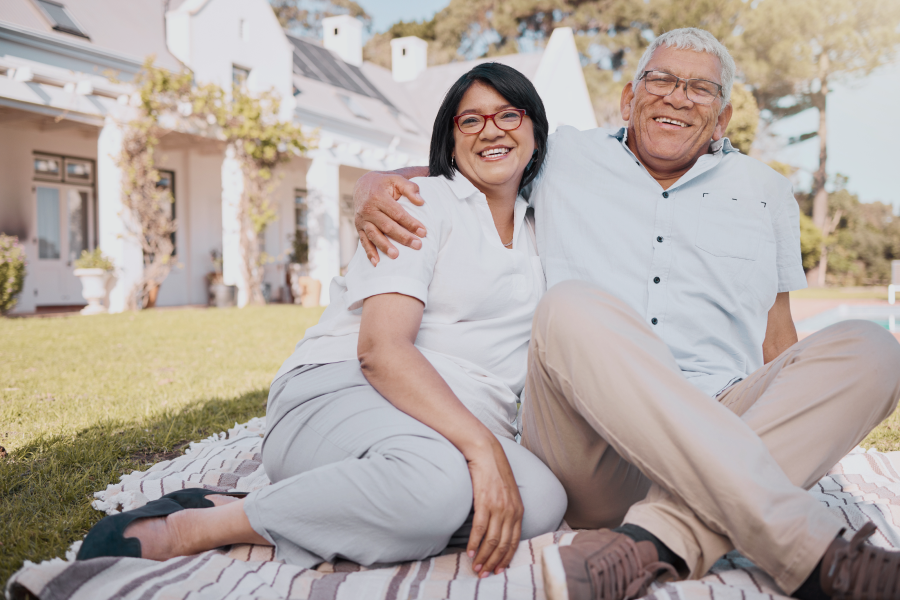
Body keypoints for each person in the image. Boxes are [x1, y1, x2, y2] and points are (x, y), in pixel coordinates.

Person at [353, 28, 900, 600]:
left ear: (723, 117)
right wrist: (369, 187)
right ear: (628, 98)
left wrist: (807, 421)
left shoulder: (767, 192)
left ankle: (651, 544)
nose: (677, 96)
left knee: (873, 348)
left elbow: (778, 340)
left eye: (700, 88)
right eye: (660, 79)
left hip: (726, 420)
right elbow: (451, 173)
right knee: (571, 305)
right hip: (590, 444)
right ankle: (816, 555)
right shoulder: (559, 155)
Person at [76, 62, 566, 577]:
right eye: (471, 121)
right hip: (345, 391)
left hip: (449, 427)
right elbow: (381, 352)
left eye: (509, 114)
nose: (491, 129)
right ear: (450, 141)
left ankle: (368, 504)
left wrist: (481, 447)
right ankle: (209, 521)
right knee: (435, 490)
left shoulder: (543, 226)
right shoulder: (419, 205)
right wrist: (483, 451)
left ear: (535, 131)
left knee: (542, 501)